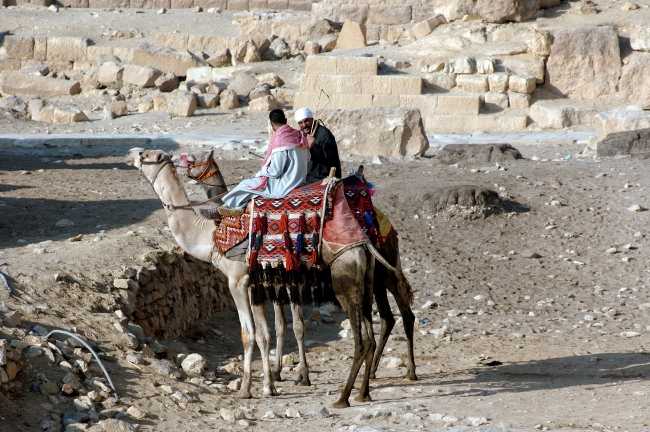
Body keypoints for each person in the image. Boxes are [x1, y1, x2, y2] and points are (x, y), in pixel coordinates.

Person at [219, 109, 311, 216]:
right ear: (285, 120)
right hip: (299, 179)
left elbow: (276, 171)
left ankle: (233, 206)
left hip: (285, 184)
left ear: (271, 123)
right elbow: (308, 157)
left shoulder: (280, 140)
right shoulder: (299, 135)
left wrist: (258, 174)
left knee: (245, 184)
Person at [294, 108, 342, 184]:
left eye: (306, 121)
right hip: (306, 176)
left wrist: (314, 147)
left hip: (322, 177)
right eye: (300, 123)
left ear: (312, 119)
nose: (304, 125)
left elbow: (331, 158)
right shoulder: (301, 134)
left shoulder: (324, 134)